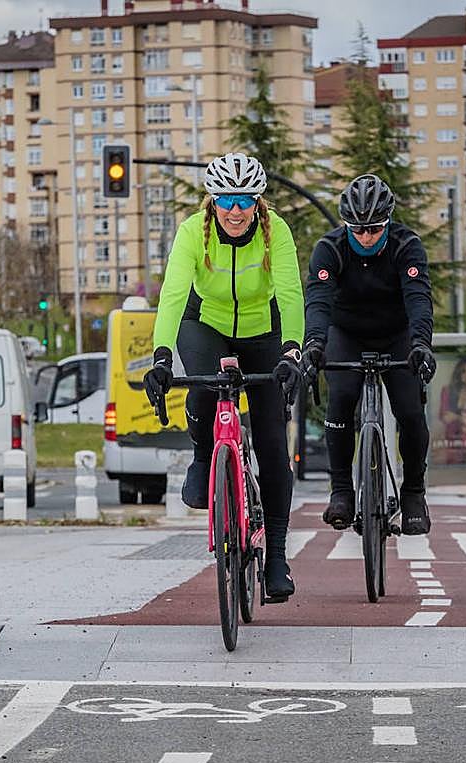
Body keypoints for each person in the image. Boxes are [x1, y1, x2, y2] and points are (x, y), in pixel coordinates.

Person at [142, 152, 304, 600]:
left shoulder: (278, 234)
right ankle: (201, 456)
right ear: (212, 200)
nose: (236, 209)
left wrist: (292, 350)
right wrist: (160, 356)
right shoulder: (195, 231)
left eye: (245, 199)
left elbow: (290, 293)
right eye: (226, 199)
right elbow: (173, 293)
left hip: (262, 328)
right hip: (206, 323)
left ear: (258, 201)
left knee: (273, 441)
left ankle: (276, 558)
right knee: (203, 388)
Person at [301, 174, 436, 535]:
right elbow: (317, 301)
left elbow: (419, 299)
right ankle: (342, 490)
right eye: (357, 229)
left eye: (374, 229)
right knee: (342, 397)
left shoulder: (406, 246)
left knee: (409, 409)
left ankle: (412, 492)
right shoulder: (329, 249)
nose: (365, 237)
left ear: (387, 222)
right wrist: (314, 343)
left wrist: (422, 343)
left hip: (397, 333)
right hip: (346, 333)